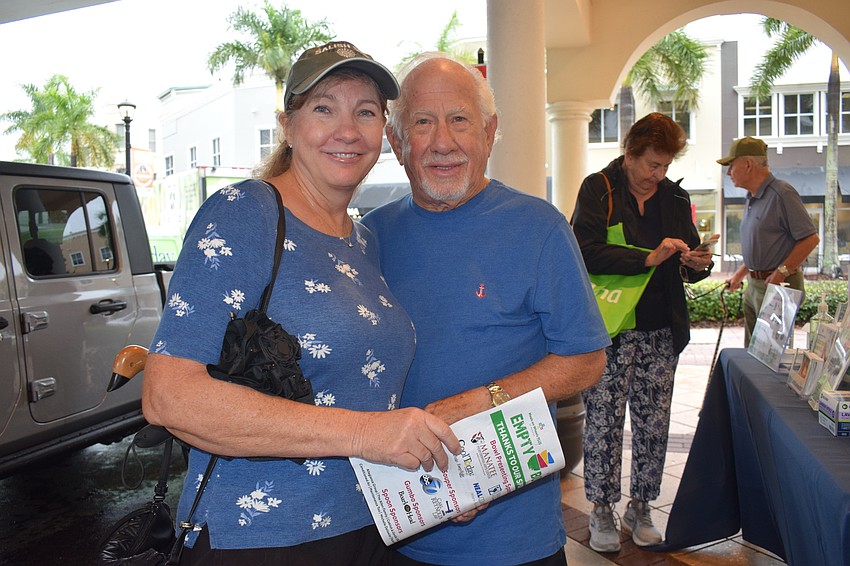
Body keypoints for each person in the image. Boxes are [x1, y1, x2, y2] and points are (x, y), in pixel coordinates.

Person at [141, 41, 461, 565]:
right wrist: (367, 433)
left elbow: (367, 400)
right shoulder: (244, 213)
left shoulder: (363, 242)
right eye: (323, 108)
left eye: (366, 112)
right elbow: (169, 397)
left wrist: (428, 465)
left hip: (368, 526)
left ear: (384, 130)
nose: (348, 130)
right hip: (263, 539)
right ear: (287, 126)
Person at [362, 53, 610, 566]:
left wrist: (483, 403)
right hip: (390, 529)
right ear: (396, 141)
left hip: (512, 541)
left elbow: (586, 358)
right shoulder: (368, 236)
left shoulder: (538, 227)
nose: (442, 142)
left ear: (490, 132)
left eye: (459, 120)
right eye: (423, 123)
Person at [570, 112, 715, 553]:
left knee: (653, 424)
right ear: (629, 153)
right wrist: (647, 258)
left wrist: (697, 264)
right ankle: (601, 508)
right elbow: (585, 250)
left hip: (660, 330)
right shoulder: (600, 188)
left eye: (665, 165)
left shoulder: (674, 197)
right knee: (604, 424)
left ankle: (642, 505)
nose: (658, 174)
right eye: (651, 164)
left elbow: (689, 260)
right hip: (610, 331)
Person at [719, 136, 819, 346]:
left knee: (771, 356)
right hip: (756, 283)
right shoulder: (752, 196)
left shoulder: (782, 193)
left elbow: (811, 238)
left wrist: (781, 272)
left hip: (778, 283)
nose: (728, 173)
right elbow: (763, 246)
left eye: (731, 166)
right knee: (752, 354)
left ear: (747, 165)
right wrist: (740, 274)